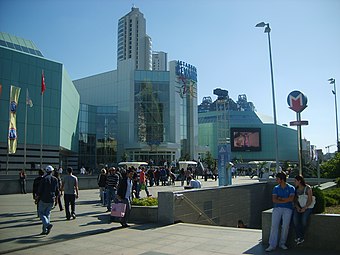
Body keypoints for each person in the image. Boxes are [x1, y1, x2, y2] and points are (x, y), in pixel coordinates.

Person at [265, 172, 295, 252]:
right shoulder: (276, 188)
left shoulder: (291, 188)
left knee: (285, 226)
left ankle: (282, 243)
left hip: (288, 209)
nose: (276, 180)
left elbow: (291, 199)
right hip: (277, 208)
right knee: (274, 226)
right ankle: (272, 245)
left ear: (282, 180)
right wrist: (285, 200)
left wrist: (280, 199)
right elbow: (274, 200)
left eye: (277, 179)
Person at [36, 165, 59, 235]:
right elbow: (57, 191)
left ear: (46, 171)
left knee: (41, 213)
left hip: (44, 198)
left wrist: (37, 198)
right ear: (52, 171)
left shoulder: (44, 179)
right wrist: (57, 200)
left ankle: (47, 225)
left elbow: (40, 190)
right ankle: (45, 230)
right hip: (51, 199)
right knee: (47, 214)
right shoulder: (55, 179)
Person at [293, 175, 314, 245]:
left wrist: (305, 208)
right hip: (299, 206)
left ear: (299, 181)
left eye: (295, 181)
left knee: (304, 220)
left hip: (308, 207)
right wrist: (298, 207)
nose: (294, 182)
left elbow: (310, 200)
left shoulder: (308, 188)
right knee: (295, 220)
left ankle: (301, 236)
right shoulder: (295, 189)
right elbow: (295, 200)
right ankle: (298, 236)